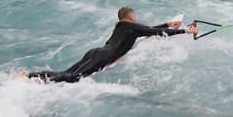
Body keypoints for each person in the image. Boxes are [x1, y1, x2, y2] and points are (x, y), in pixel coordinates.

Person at [19, 8, 197, 83]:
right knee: (72, 78)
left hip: (96, 53)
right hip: (103, 56)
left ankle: (31, 77)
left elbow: (149, 30)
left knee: (67, 74)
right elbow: (152, 32)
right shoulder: (130, 26)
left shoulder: (125, 27)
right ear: (131, 16)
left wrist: (167, 24)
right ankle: (29, 76)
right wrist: (184, 32)